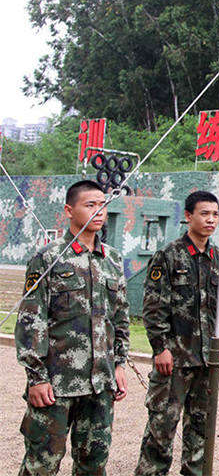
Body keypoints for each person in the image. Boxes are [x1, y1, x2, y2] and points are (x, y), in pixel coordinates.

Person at [15, 180, 129, 475]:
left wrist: (119, 364)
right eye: (90, 205)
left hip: (99, 384)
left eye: (102, 205)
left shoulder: (113, 260)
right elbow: (31, 320)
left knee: (93, 464)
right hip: (56, 383)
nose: (99, 211)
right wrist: (36, 378)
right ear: (69, 210)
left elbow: (120, 318)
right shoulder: (48, 259)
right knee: (42, 465)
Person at [134, 191, 219, 476]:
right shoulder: (168, 255)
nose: (211, 220)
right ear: (189, 216)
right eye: (204, 214)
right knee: (161, 428)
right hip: (175, 358)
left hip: (206, 360)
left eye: (215, 214)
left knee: (201, 430)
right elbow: (154, 306)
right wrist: (159, 348)